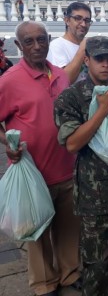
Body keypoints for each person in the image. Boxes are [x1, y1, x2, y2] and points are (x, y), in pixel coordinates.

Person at [54, 36, 108, 296]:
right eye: (99, 59)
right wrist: (102, 110)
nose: (105, 64)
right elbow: (72, 144)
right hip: (96, 197)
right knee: (97, 263)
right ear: (86, 60)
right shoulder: (71, 98)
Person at [0, 21, 81, 296]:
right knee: (37, 232)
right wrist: (7, 145)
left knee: (68, 229)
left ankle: (70, 274)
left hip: (66, 167)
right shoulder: (10, 80)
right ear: (18, 46)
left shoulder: (60, 75)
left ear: (49, 40)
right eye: (29, 41)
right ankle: (45, 283)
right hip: (33, 173)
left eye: (41, 39)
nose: (37, 46)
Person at [47, 1, 92, 83]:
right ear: (67, 20)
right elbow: (63, 81)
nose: (83, 24)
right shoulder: (57, 45)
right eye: (78, 18)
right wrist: (82, 50)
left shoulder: (90, 45)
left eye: (87, 20)